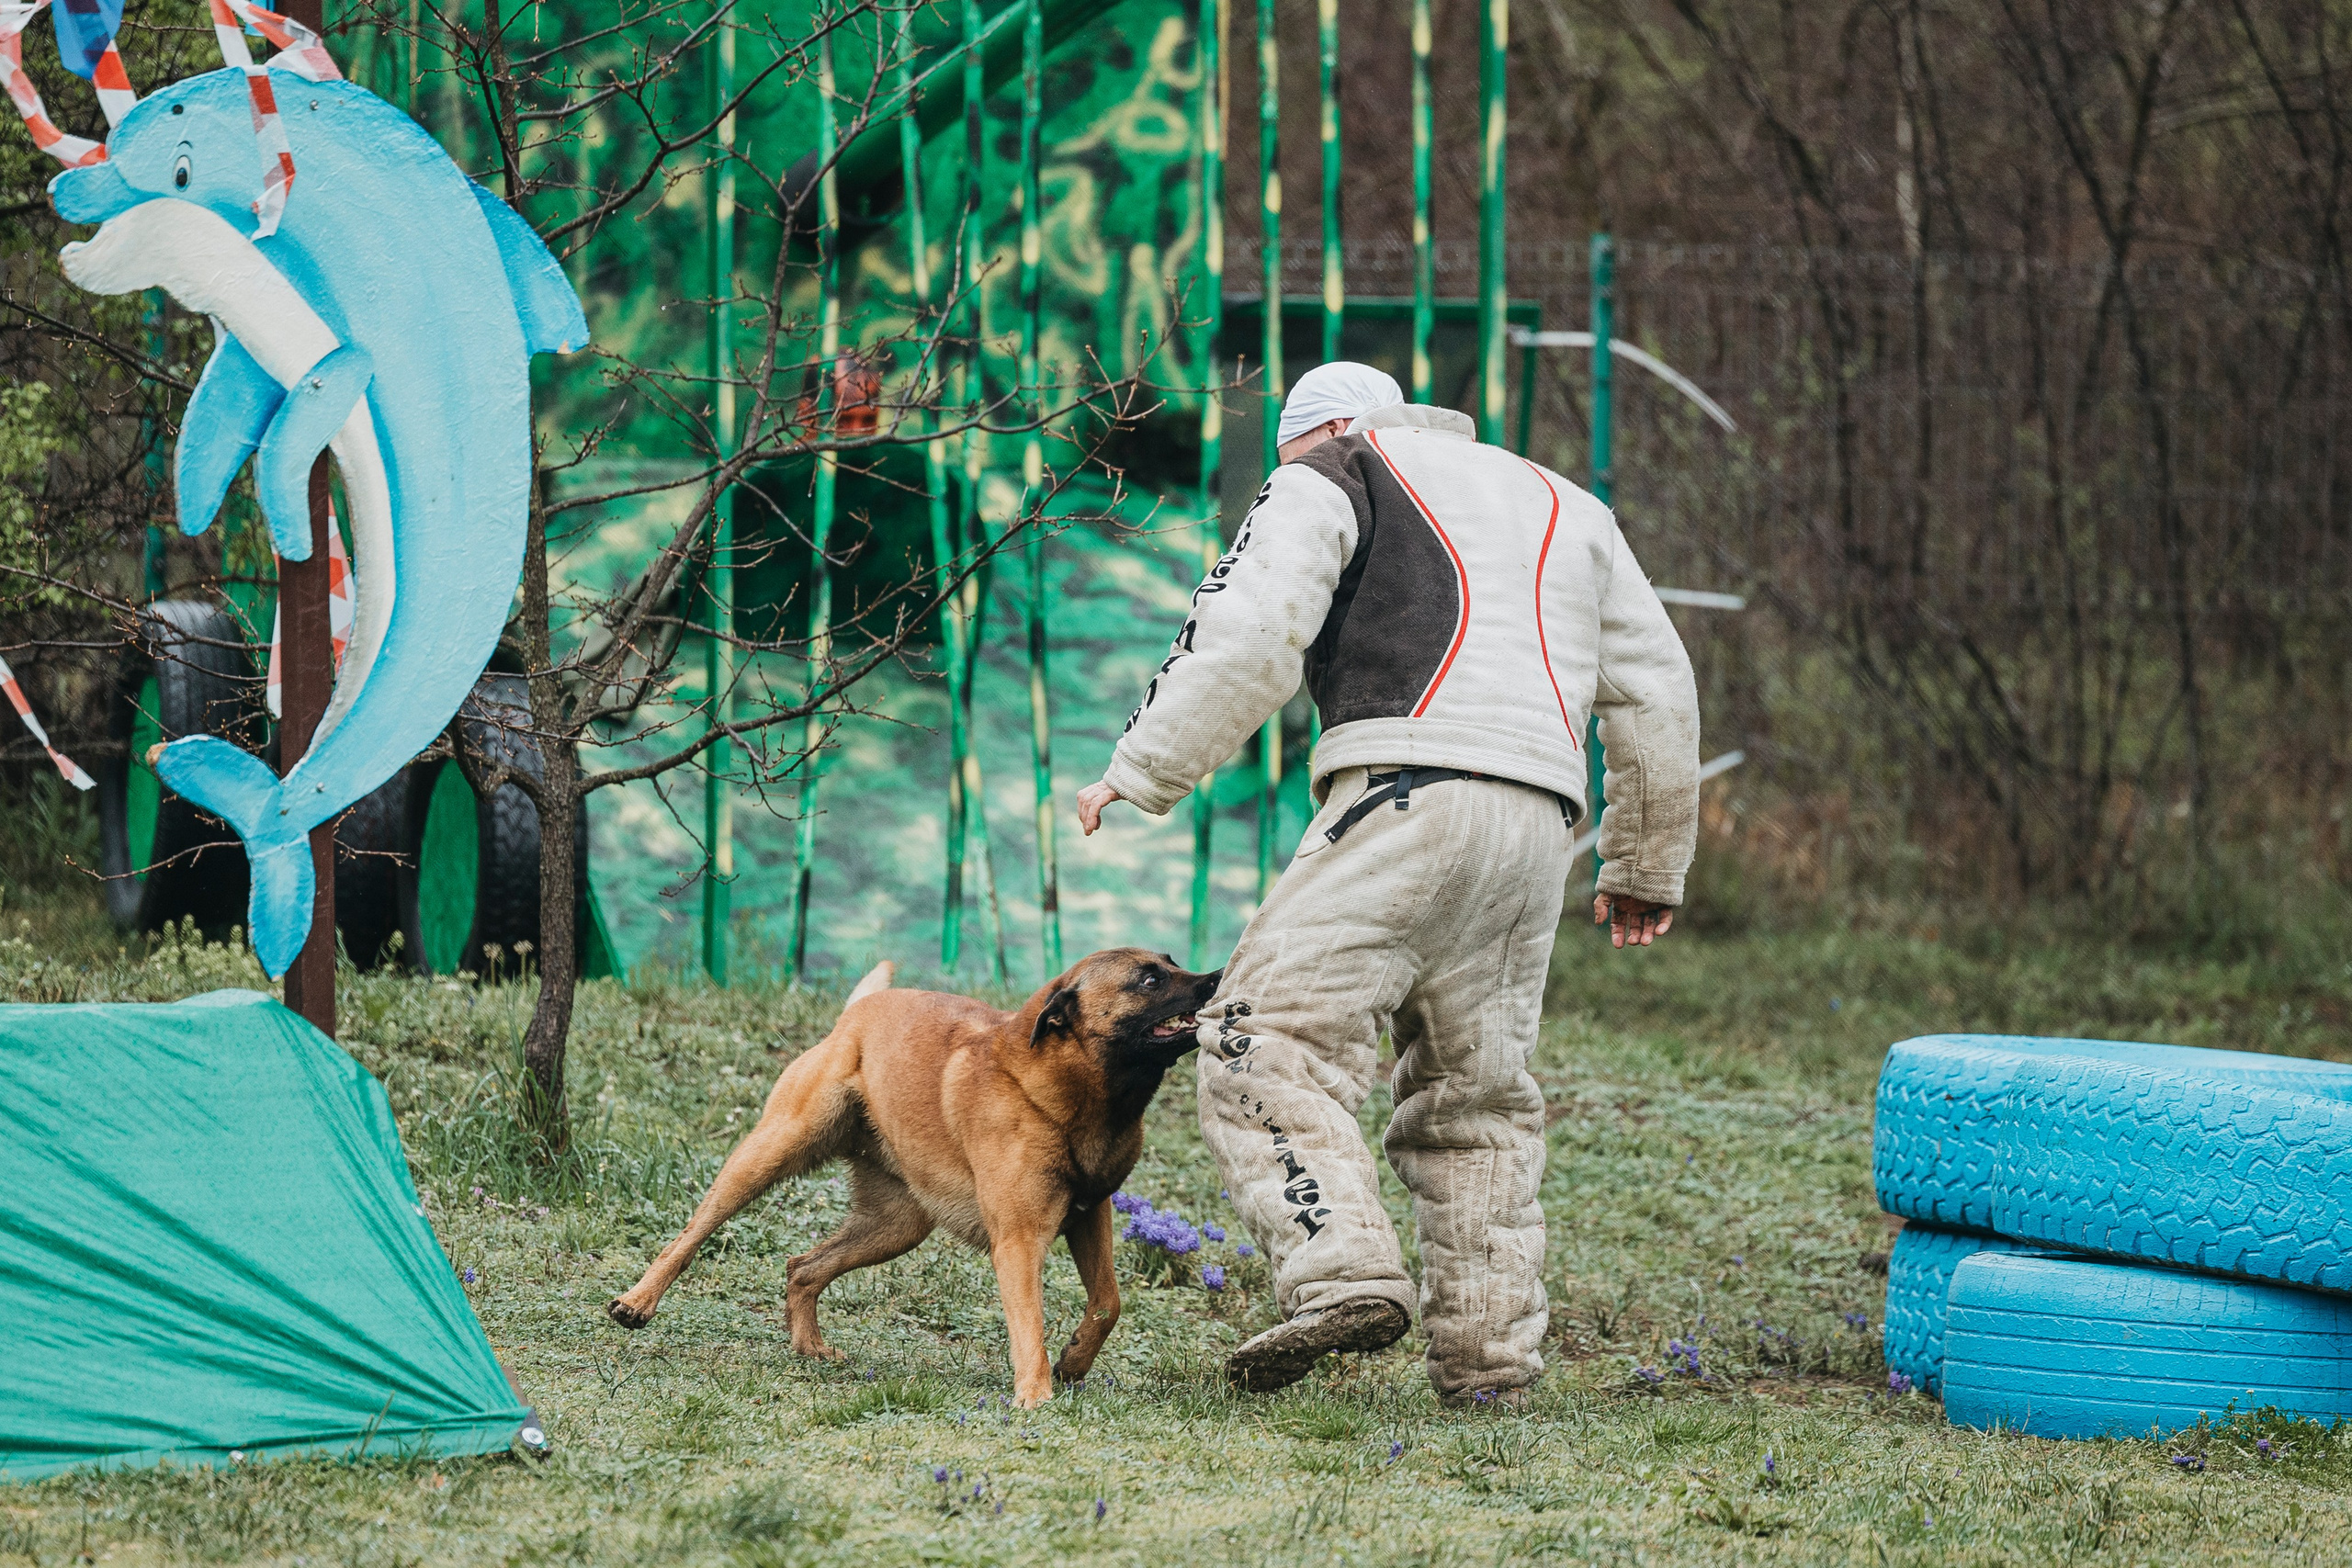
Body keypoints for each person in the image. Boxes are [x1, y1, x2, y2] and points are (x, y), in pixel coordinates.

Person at [1074, 360, 1701, 1404]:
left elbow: (1251, 624)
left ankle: (1344, 1274)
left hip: (1406, 791)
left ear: (1322, 431)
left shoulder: (1337, 468)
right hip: (1538, 829)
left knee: (1257, 1038)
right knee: (1478, 1101)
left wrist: (1142, 768)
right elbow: (1656, 688)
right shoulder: (1570, 506)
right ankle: (1489, 1367)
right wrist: (1643, 861)